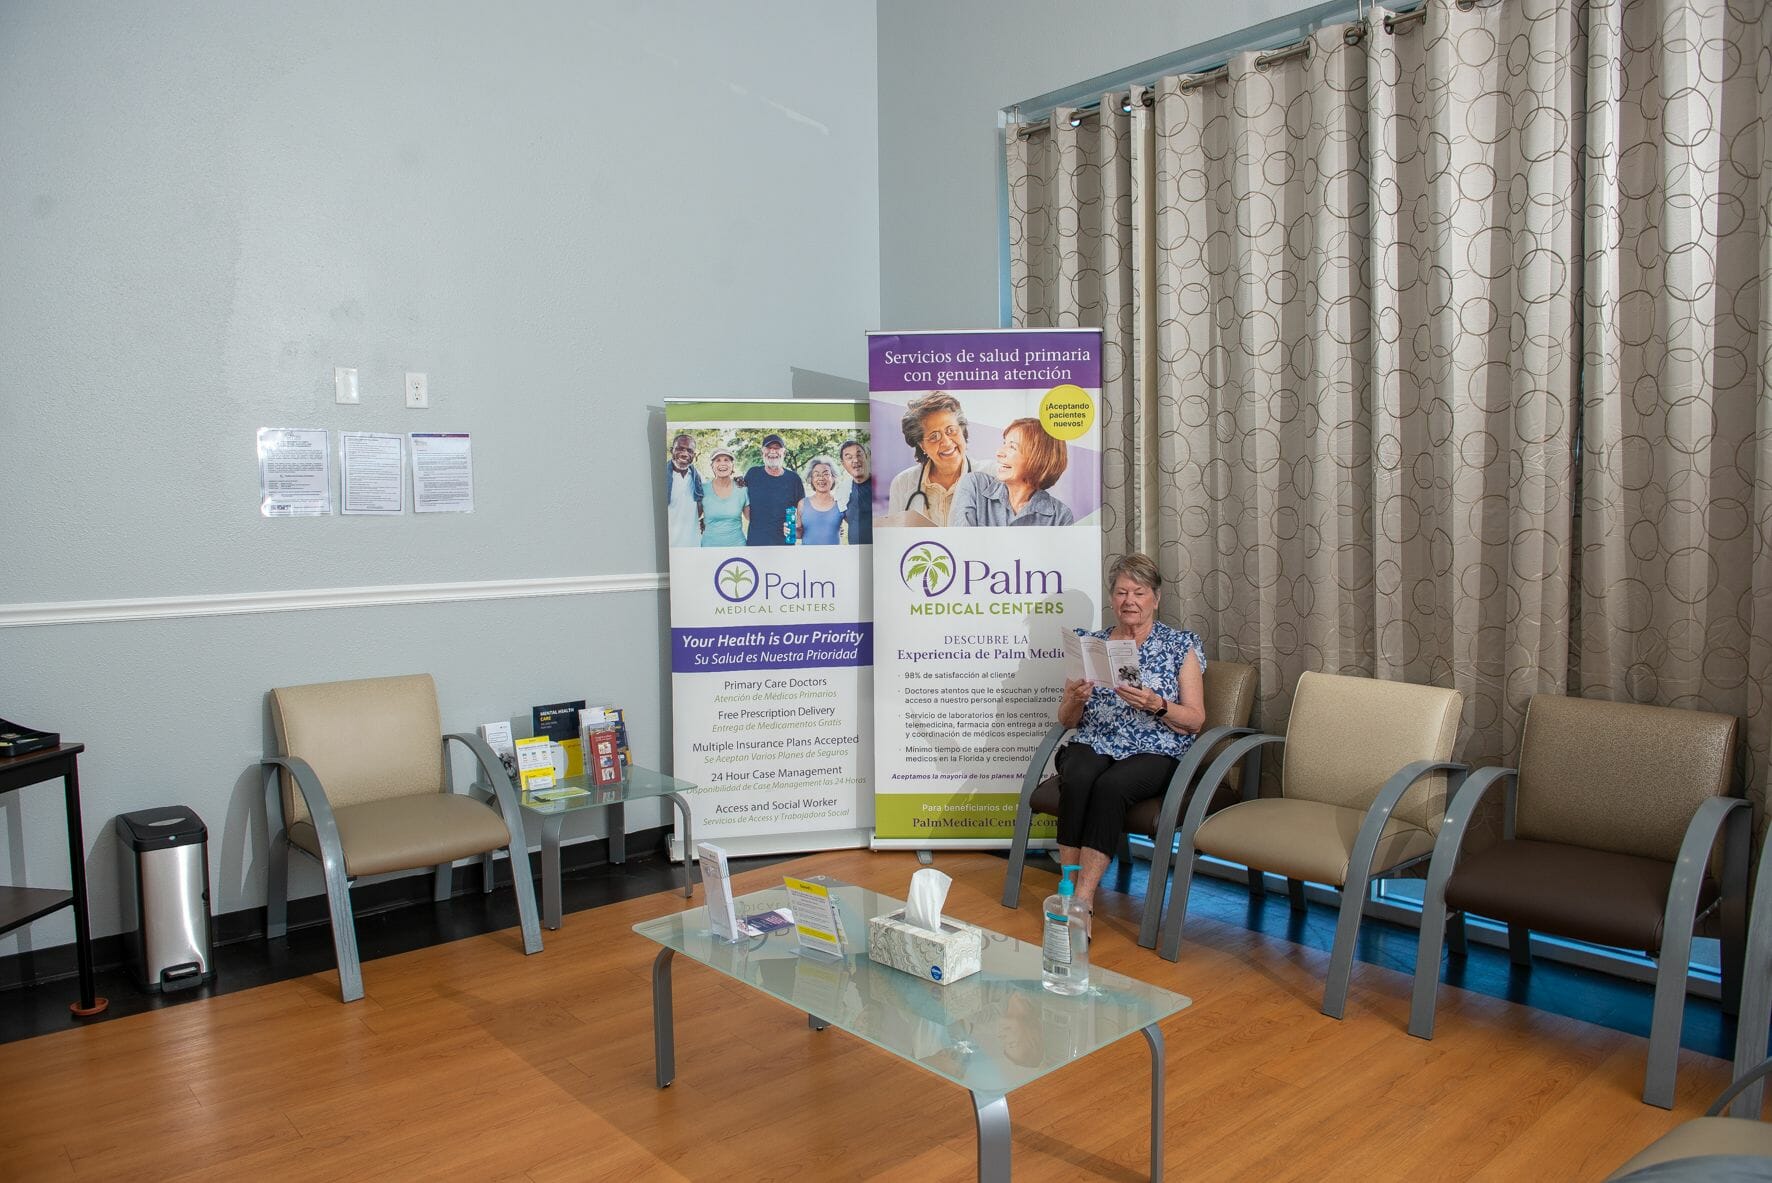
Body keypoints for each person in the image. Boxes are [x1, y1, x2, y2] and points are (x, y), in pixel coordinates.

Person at [1054, 552, 1206, 929]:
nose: (1129, 601)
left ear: (1156, 597)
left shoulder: (1180, 645)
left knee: (1111, 786)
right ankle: (1067, 888)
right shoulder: (1091, 643)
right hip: (1097, 739)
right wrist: (1074, 699)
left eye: (1138, 592)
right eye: (1122, 592)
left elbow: (1196, 719)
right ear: (1111, 598)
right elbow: (1066, 721)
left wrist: (1157, 704)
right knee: (1077, 776)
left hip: (1155, 746)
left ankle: (1083, 902)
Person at [949, 418, 1075, 527]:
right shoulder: (974, 485)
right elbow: (962, 546)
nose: (999, 453)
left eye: (1012, 447)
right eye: (1004, 443)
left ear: (1039, 459)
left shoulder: (1060, 516)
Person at [886, 391, 974, 526]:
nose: (946, 442)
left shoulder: (991, 477)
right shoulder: (902, 483)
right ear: (922, 446)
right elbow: (895, 538)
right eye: (934, 436)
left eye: (951, 430)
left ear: (962, 430)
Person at [743, 432, 804, 545]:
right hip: (756, 544)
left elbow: (803, 513)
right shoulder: (752, 474)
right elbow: (739, 497)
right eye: (769, 448)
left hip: (785, 545)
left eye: (777, 448)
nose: (772, 451)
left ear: (784, 452)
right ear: (762, 451)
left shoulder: (794, 479)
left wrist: (798, 529)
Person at [699, 446, 749, 547]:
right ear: (712, 466)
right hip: (709, 548)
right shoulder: (703, 489)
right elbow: (694, 516)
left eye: (726, 460)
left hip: (738, 547)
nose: (722, 463)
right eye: (718, 460)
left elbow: (751, 517)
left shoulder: (742, 489)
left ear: (732, 466)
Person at [664, 433, 703, 547]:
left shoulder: (699, 477)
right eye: (680, 449)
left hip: (693, 545)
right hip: (669, 547)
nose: (684, 454)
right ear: (672, 450)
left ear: (694, 455)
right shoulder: (659, 476)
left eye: (689, 451)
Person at [795, 457, 844, 545]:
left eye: (826, 474)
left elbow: (855, 524)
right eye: (817, 475)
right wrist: (790, 531)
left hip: (835, 556)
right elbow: (799, 533)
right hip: (808, 557)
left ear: (833, 478)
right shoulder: (802, 503)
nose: (821, 478)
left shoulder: (840, 503)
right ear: (811, 479)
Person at [839, 439, 872, 544]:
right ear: (843, 464)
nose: (855, 460)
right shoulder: (843, 491)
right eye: (849, 457)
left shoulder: (882, 485)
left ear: (866, 457)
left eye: (859, 455)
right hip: (855, 552)